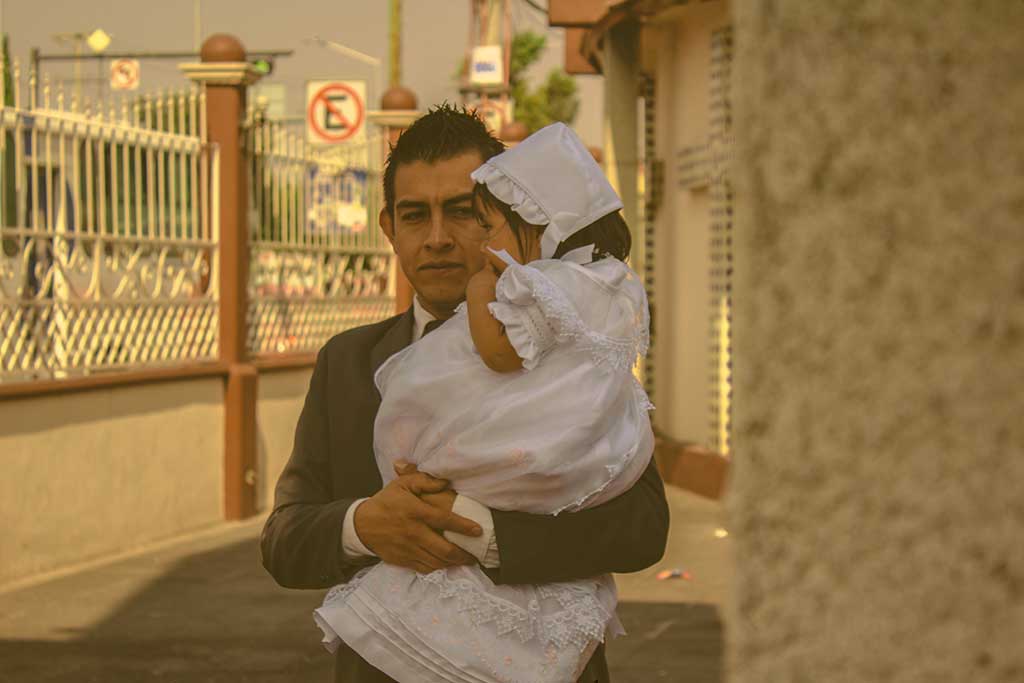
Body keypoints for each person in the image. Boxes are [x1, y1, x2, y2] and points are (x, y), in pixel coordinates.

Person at [260, 105, 669, 683]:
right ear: (388, 228)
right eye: (414, 216)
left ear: (506, 215)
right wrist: (362, 525)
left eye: (462, 213)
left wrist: (483, 532)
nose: (437, 240)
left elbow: (642, 527)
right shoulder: (349, 363)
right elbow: (285, 538)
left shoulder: (570, 343)